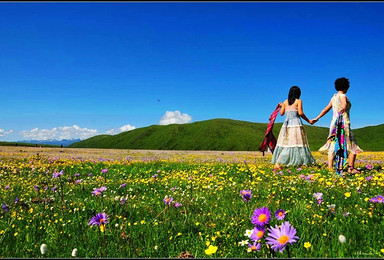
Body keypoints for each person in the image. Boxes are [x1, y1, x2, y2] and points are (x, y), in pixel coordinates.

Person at [312, 77, 363, 174]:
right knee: (352, 144)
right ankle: (351, 168)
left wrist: (316, 118)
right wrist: (343, 107)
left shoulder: (333, 97)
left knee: (333, 143)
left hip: (334, 123)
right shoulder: (343, 95)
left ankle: (330, 167)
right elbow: (343, 104)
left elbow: (325, 109)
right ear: (346, 87)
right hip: (343, 123)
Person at [271, 86, 316, 169]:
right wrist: (308, 120)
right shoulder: (298, 101)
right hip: (295, 124)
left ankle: (286, 162)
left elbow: (281, 113)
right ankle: (280, 162)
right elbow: (300, 113)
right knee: (297, 143)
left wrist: (282, 105)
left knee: (286, 143)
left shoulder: (285, 102)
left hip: (286, 125)